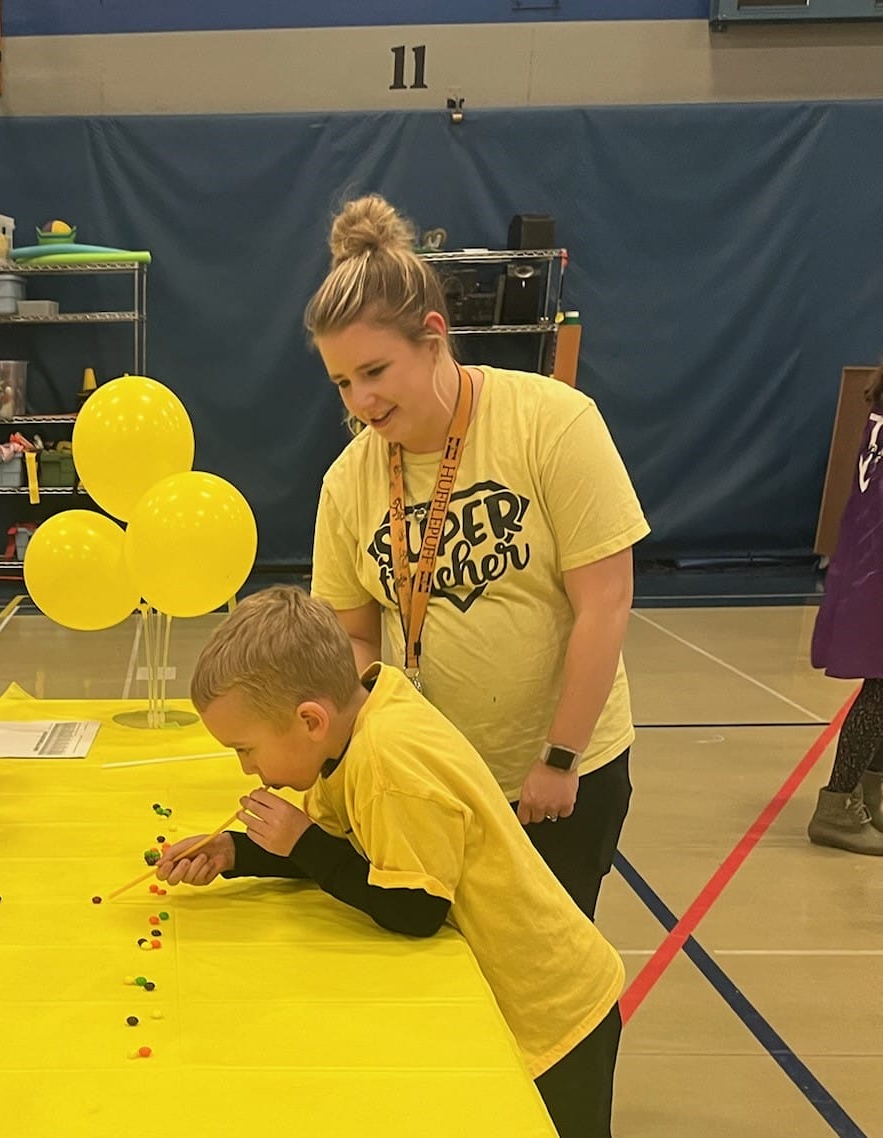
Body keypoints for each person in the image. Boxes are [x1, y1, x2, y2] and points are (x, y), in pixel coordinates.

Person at [157, 587, 622, 1138]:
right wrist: (236, 852)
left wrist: (303, 843)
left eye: (246, 749)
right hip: (536, 999)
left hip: (555, 1011)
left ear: (309, 721)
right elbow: (334, 836)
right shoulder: (363, 712)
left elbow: (415, 909)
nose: (244, 768)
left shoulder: (385, 761)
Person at [306, 195, 648, 918]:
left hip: (552, 779)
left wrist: (559, 758)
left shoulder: (551, 423)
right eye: (342, 382)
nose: (362, 401)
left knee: (547, 974)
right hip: (429, 778)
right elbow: (356, 635)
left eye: (375, 371)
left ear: (433, 337)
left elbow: (605, 602)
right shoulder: (347, 482)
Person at [807, 363, 883, 854]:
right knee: (878, 688)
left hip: (866, 557)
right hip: (875, 563)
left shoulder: (877, 407)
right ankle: (837, 803)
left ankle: (870, 789)